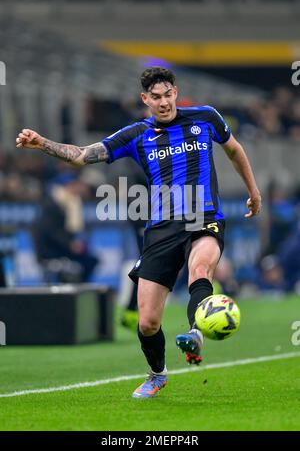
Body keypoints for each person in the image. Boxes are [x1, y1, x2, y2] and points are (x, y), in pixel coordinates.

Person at [16, 67, 261, 399]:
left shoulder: (205, 118)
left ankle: (197, 333)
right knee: (147, 322)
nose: (163, 102)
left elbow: (234, 150)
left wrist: (254, 191)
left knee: (199, 269)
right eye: (156, 97)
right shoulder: (136, 135)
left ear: (176, 92)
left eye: (168, 94)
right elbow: (83, 156)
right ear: (145, 99)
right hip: (160, 227)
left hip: (202, 216)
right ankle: (157, 375)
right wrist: (42, 143)